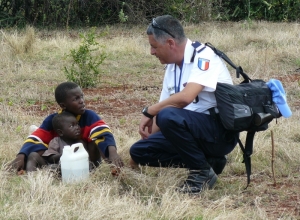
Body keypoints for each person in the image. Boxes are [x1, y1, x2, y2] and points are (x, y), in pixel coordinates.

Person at [129, 15, 238, 194]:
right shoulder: (171, 66)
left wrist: (149, 111)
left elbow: (185, 98)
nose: (151, 52)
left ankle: (201, 173)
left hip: (219, 133)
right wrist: (142, 148)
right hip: (194, 131)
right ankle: (209, 162)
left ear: (170, 43)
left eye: (154, 46)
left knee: (167, 115)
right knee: (139, 150)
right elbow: (164, 111)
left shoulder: (204, 56)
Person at [10, 81, 124, 173]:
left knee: (98, 137)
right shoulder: (54, 120)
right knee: (34, 152)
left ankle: (112, 168)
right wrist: (21, 156)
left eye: (82, 97)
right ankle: (33, 175)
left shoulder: (89, 116)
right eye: (76, 99)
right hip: (59, 162)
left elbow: (104, 134)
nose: (82, 101)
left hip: (88, 162)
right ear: (63, 105)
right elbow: (37, 138)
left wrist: (113, 153)